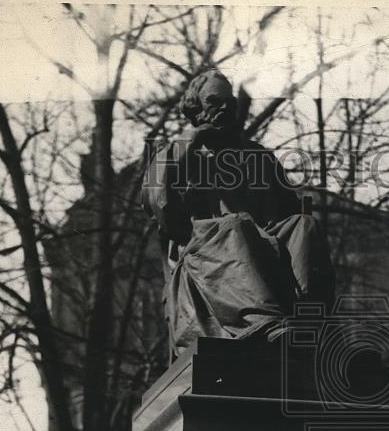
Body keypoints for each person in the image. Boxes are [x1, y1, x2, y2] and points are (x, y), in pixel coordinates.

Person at [142, 70, 334, 352]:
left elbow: (287, 212)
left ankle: (311, 327)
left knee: (305, 226)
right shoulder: (174, 154)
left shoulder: (257, 157)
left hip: (258, 244)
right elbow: (158, 204)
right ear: (196, 108)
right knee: (236, 225)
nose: (224, 108)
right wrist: (191, 141)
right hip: (204, 254)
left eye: (229, 103)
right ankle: (265, 323)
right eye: (213, 101)